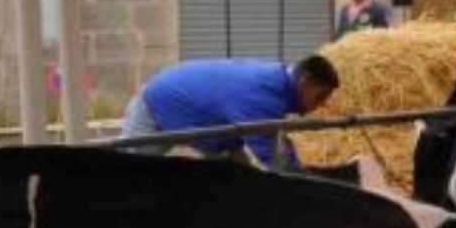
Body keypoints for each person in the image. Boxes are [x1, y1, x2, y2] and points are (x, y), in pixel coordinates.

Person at [121, 56, 340, 168]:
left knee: (239, 179)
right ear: (304, 83)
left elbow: (278, 146)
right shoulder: (265, 97)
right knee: (126, 177)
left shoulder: (277, 83)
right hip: (155, 109)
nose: (319, 105)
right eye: (319, 96)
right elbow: (276, 161)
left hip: (214, 133)